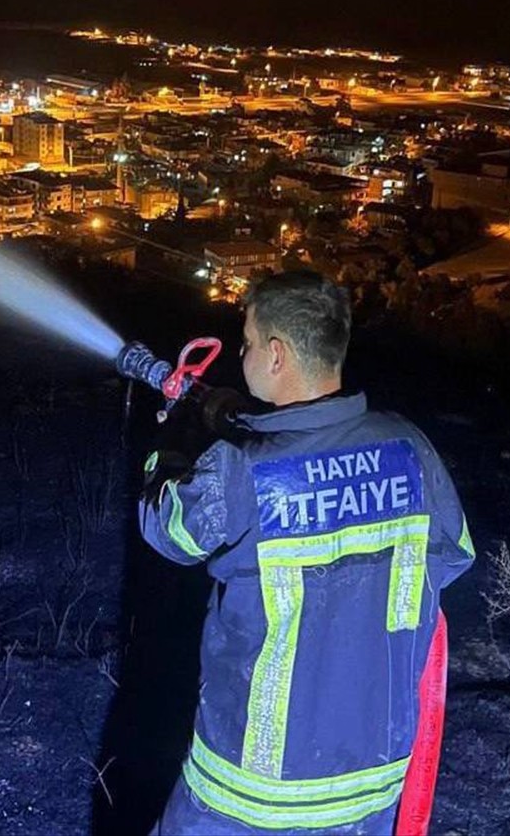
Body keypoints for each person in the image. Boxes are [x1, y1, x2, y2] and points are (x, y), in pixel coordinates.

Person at [139, 270, 475, 835]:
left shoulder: (244, 469)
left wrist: (173, 445)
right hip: (371, 783)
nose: (240, 355)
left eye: (245, 344)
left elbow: (167, 530)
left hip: (248, 790)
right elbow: (454, 557)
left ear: (276, 355)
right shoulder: (411, 448)